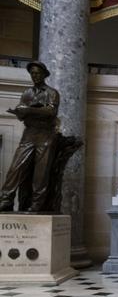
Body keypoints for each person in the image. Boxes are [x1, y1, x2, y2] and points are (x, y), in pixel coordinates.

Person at [0, 61, 59, 212]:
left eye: (38, 73)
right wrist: (21, 112)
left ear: (44, 74)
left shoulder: (52, 93)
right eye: (32, 73)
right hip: (29, 133)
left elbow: (51, 112)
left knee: (41, 172)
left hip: (45, 134)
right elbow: (22, 113)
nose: (35, 76)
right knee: (15, 168)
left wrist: (30, 110)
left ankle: (37, 204)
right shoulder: (27, 93)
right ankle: (6, 199)